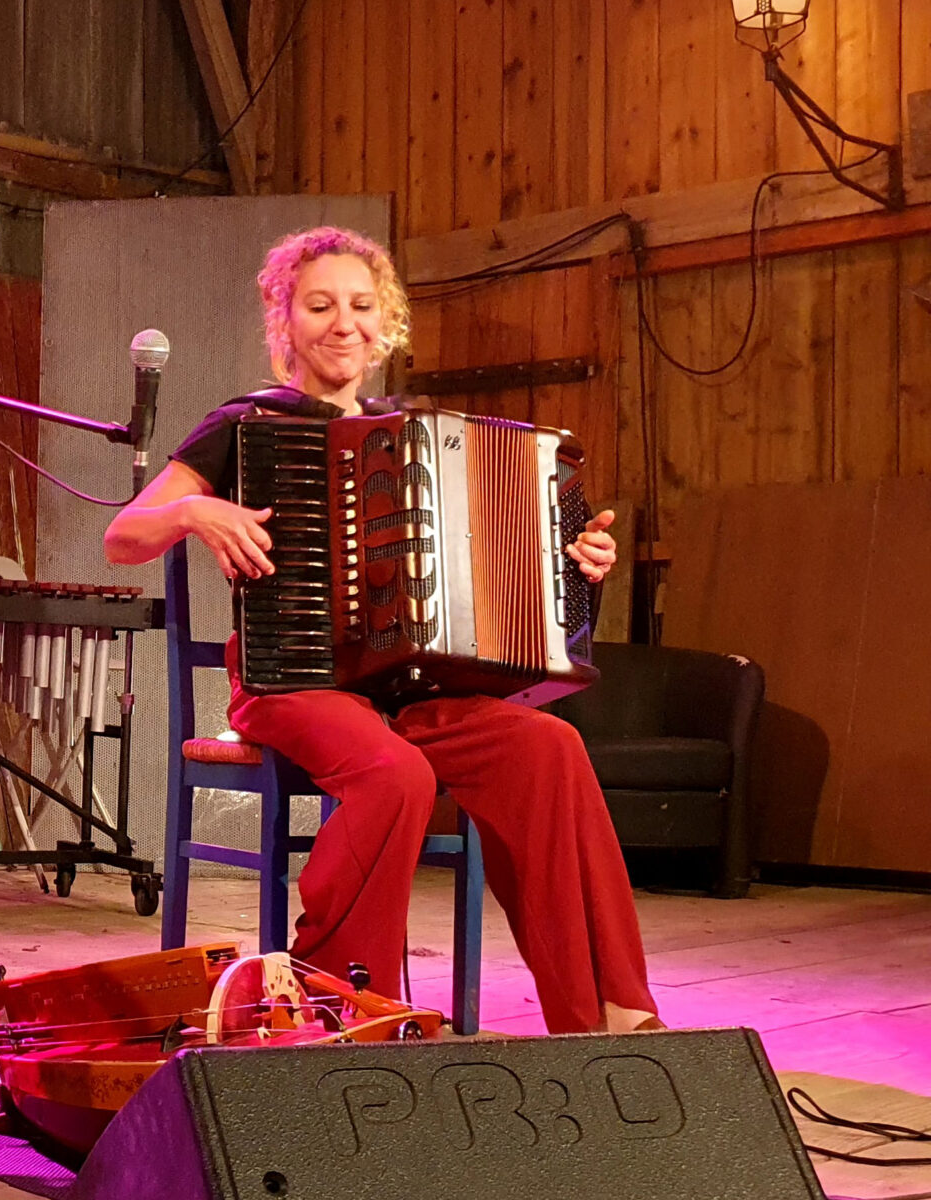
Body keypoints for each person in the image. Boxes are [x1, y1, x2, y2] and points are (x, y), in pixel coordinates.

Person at [103, 226, 661, 1036]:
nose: (344, 323)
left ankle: (602, 1015)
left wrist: (573, 560)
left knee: (550, 749)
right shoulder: (248, 423)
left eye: (362, 306)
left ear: (385, 321)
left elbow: (505, 569)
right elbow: (125, 535)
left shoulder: (408, 431)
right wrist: (193, 509)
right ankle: (338, 1008)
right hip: (290, 682)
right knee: (393, 775)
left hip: (408, 690)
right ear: (284, 321)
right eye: (320, 305)